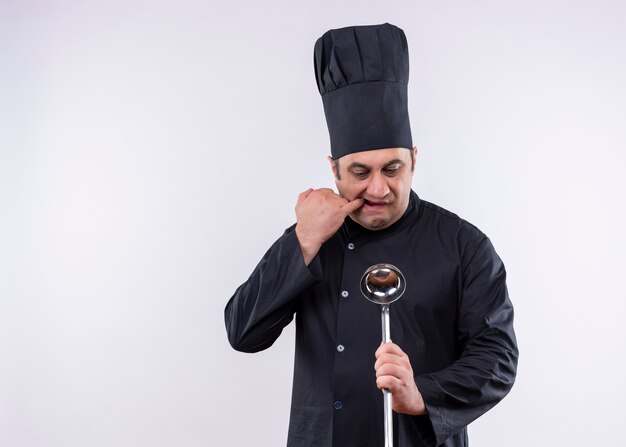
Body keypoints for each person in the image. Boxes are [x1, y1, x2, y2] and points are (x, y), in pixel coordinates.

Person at [225, 23, 518, 447]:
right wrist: (303, 240)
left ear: (414, 160)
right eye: (360, 173)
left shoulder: (463, 245)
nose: (378, 189)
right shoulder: (314, 237)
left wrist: (421, 395)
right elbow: (243, 333)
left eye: (392, 169)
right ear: (334, 169)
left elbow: (497, 357)